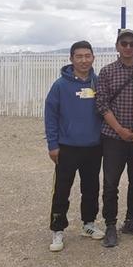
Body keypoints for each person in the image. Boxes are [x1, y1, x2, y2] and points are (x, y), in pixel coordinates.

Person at [44, 40, 104, 252]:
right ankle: (57, 229)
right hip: (67, 147)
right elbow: (50, 116)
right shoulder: (60, 86)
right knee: (62, 189)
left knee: (91, 188)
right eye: (79, 56)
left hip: (93, 146)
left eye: (87, 56)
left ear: (93, 58)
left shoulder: (98, 83)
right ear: (71, 59)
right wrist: (52, 145)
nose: (83, 60)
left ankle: (88, 224)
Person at [96, 29, 133, 248]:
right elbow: (102, 104)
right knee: (111, 184)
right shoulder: (107, 72)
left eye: (132, 43)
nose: (128, 47)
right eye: (124, 43)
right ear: (117, 46)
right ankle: (110, 224)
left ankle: (131, 220)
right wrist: (119, 130)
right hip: (113, 137)